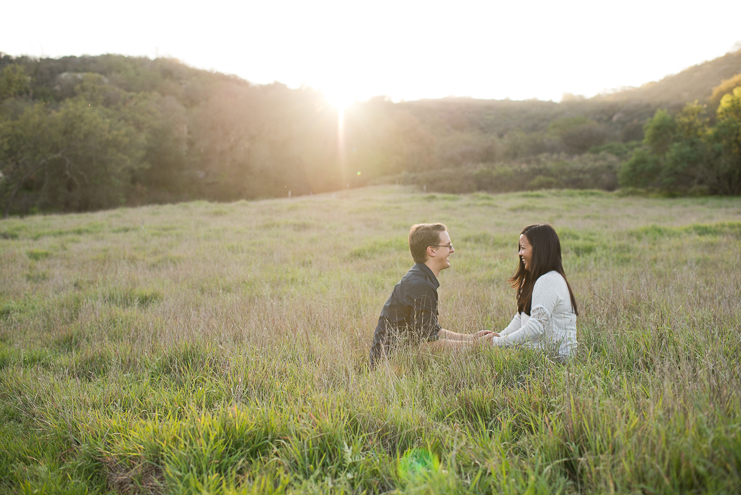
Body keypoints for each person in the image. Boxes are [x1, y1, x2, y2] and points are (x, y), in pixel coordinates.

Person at [369, 223, 491, 367]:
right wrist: (475, 346)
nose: (452, 250)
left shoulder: (420, 278)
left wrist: (471, 338)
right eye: (448, 245)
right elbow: (427, 345)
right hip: (390, 367)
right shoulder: (421, 286)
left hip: (394, 361)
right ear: (431, 250)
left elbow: (433, 331)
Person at [486, 224, 578, 359]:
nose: (520, 253)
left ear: (540, 250)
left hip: (556, 360)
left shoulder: (548, 280)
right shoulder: (535, 280)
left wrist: (497, 343)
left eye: (523, 248)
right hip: (539, 356)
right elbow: (520, 317)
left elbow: (535, 327)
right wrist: (499, 336)